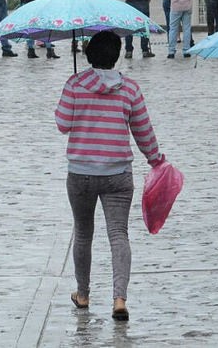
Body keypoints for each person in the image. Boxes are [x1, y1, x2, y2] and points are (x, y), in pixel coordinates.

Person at [54, 31, 164, 322]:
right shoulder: (129, 89)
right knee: (119, 234)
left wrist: (74, 94)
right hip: (118, 173)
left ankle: (84, 293)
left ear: (89, 54)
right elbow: (143, 131)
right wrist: (156, 160)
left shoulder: (75, 84)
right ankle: (119, 298)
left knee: (83, 233)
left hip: (81, 172)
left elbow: (62, 124)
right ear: (116, 55)